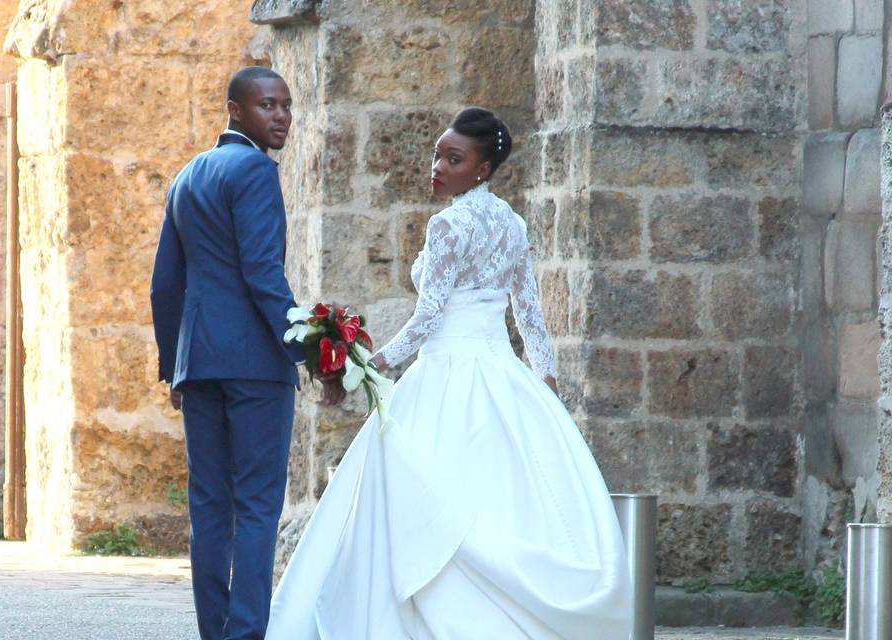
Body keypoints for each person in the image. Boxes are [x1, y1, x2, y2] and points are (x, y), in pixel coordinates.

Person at [265, 107, 634, 638]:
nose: (437, 166)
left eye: (453, 158)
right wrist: (545, 382)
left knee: (433, 492)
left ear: (482, 168)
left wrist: (365, 364)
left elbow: (428, 318)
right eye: (438, 154)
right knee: (502, 496)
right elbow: (528, 314)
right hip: (502, 373)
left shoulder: (447, 225)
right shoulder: (512, 223)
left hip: (445, 374)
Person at [150, 66, 343, 640]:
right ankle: (245, 635)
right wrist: (311, 353)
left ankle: (217, 632)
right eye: (267, 106)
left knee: (210, 506)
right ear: (235, 110)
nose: (280, 116)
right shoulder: (255, 170)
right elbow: (263, 275)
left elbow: (165, 285)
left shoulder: (187, 176)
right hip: (256, 366)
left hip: (200, 365)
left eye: (286, 105)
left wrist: (174, 367)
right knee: (258, 506)